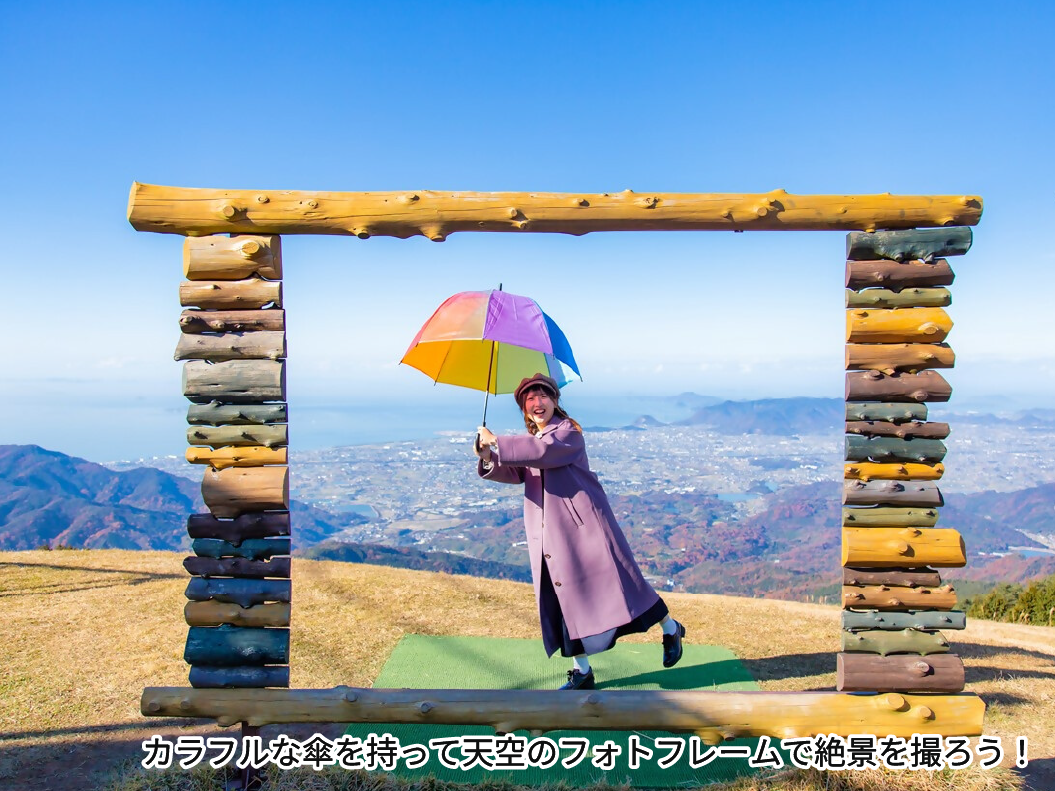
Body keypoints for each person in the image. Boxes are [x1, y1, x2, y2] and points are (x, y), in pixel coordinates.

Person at [474, 372, 685, 690]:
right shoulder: (535, 441)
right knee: (562, 599)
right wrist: (488, 456)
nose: (537, 402)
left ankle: (670, 628)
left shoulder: (567, 432)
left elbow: (543, 453)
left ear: (555, 400)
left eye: (542, 395)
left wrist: (496, 441)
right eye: (529, 399)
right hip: (550, 534)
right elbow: (519, 471)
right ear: (525, 409)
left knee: (626, 585)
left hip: (586, 529)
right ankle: (582, 672)